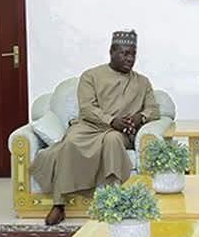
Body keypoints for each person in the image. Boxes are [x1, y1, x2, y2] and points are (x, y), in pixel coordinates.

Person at [31, 30, 160, 226]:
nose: (130, 59)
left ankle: (113, 199)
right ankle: (59, 204)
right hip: (89, 126)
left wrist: (139, 117)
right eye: (124, 53)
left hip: (119, 132)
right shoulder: (91, 76)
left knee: (112, 140)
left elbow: (153, 109)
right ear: (112, 52)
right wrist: (111, 120)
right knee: (70, 141)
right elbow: (87, 108)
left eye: (133, 54)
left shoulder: (142, 82)